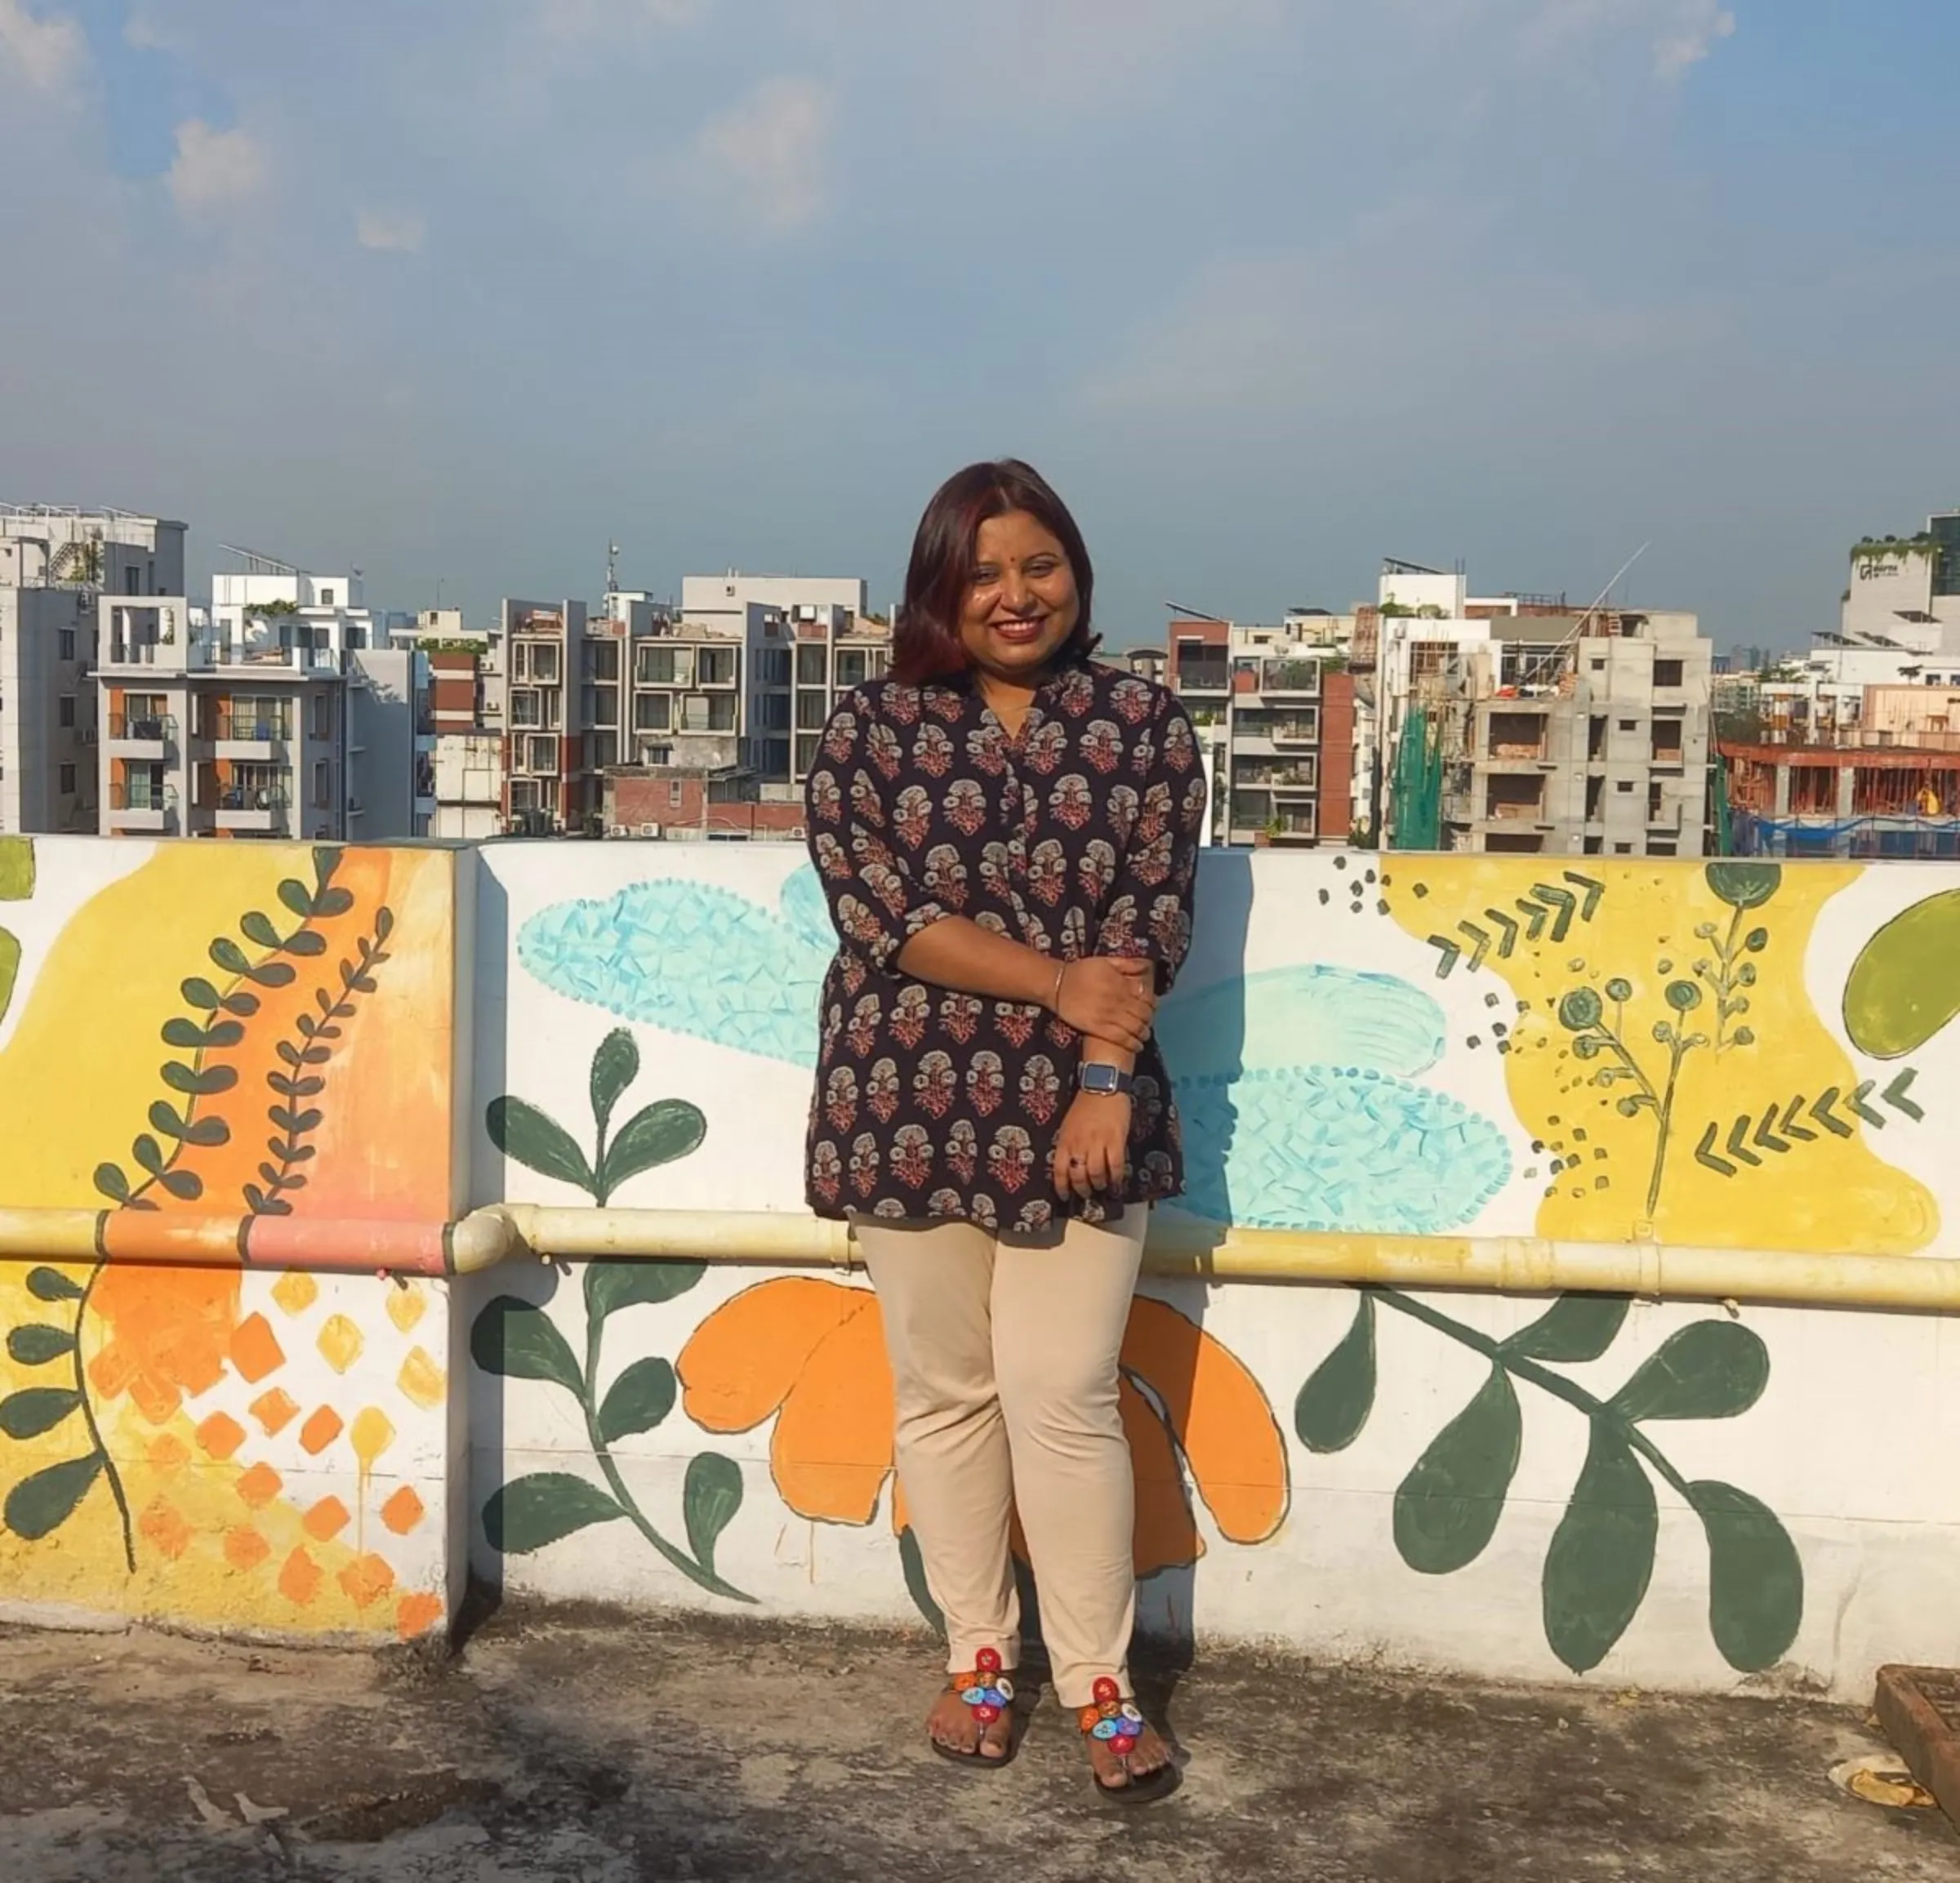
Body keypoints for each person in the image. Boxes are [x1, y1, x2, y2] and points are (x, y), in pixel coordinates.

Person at [802, 460, 1205, 1804]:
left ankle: (1100, 1676)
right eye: (983, 573)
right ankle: (981, 1653)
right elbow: (882, 913)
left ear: (1077, 573)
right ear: (940, 590)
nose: (1015, 594)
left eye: (1038, 565)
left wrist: (1102, 1073)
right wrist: (1055, 983)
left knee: (1065, 1393)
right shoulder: (871, 728)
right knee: (945, 1395)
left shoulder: (1142, 722)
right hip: (907, 1100)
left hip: (1085, 1113)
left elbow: (1150, 914)